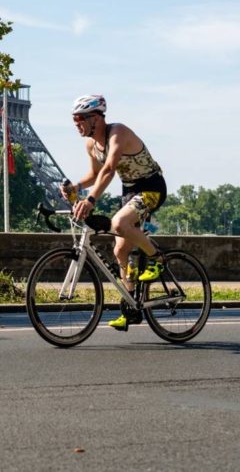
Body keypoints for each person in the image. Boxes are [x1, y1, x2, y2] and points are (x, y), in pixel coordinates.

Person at [63, 94, 167, 331]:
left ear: (96, 119)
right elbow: (94, 175)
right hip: (130, 193)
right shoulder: (91, 144)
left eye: (79, 118)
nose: (76, 124)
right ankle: (131, 308)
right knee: (120, 249)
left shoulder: (117, 133)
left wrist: (90, 199)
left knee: (119, 224)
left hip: (151, 188)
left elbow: (109, 169)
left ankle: (157, 259)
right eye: (74, 119)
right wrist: (76, 188)